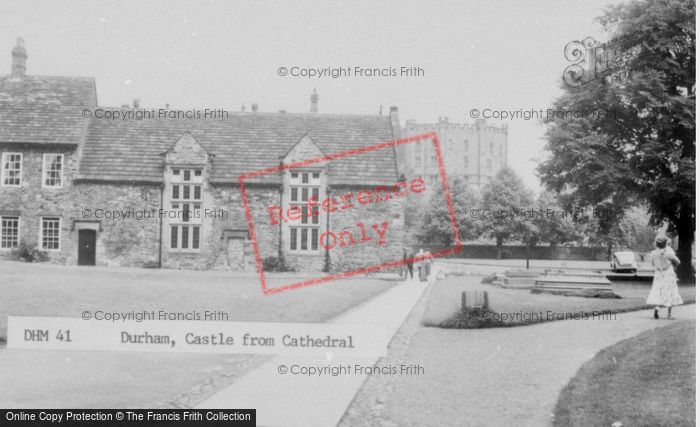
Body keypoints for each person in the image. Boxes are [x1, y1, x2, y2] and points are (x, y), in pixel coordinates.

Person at [646, 235, 683, 319]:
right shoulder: (669, 252)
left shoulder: (653, 253)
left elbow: (653, 263)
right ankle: (669, 314)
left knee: (659, 291)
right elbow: (678, 262)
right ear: (666, 243)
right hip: (668, 273)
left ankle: (657, 307)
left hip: (658, 274)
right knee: (670, 291)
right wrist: (672, 263)